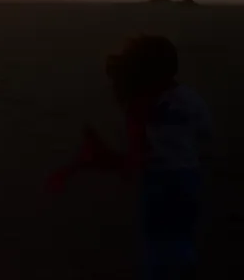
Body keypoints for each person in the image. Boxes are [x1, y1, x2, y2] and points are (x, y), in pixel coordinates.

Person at [48, 35, 215, 278]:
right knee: (182, 230)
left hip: (157, 180)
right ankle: (184, 265)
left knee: (156, 237)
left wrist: (101, 160)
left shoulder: (138, 107)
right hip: (188, 176)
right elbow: (205, 132)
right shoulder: (191, 99)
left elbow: (137, 151)